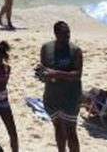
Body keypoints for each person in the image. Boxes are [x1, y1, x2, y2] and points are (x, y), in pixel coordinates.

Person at [39, 21, 82, 152]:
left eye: (68, 33)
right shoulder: (46, 48)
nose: (67, 36)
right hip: (52, 96)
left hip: (70, 97)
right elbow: (43, 69)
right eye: (64, 34)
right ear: (56, 34)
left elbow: (77, 75)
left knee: (70, 131)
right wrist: (43, 75)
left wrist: (55, 73)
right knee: (57, 127)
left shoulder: (75, 51)